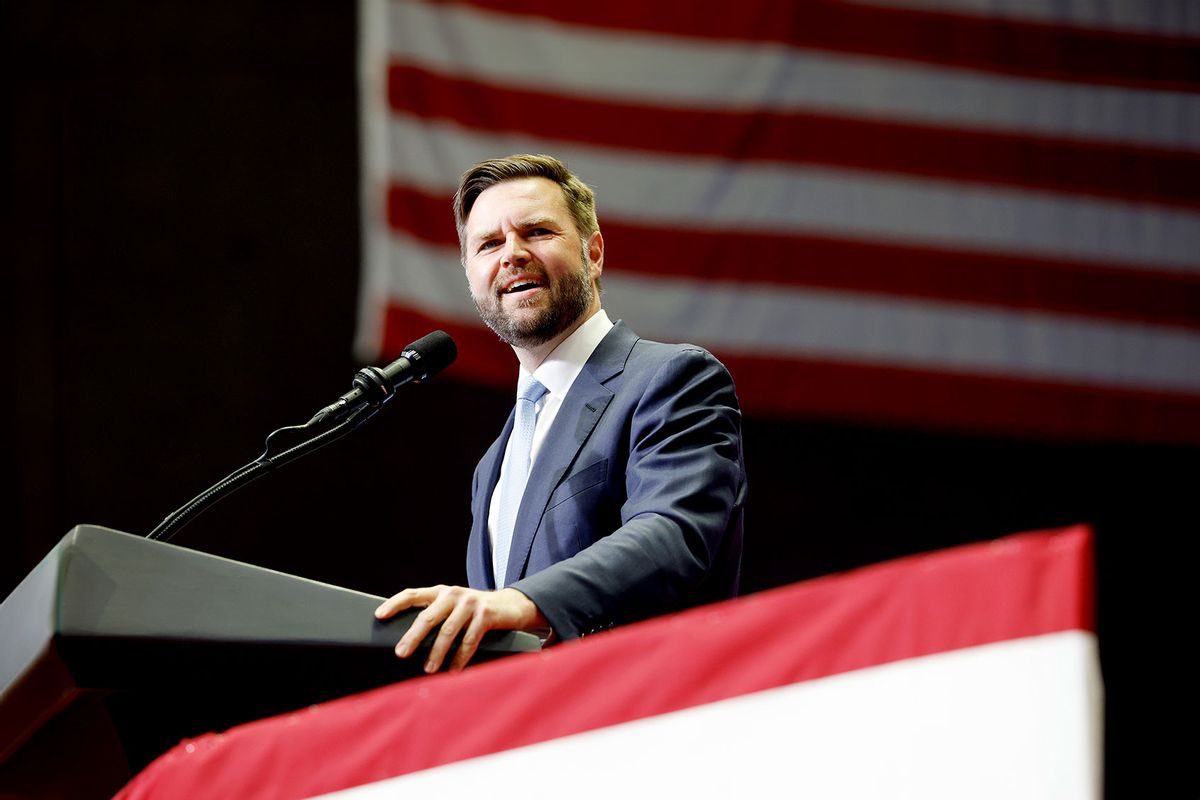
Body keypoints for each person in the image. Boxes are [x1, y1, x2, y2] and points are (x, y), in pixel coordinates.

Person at [375, 154, 746, 672]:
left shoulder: (671, 378)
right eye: (489, 244)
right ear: (471, 278)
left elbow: (673, 532)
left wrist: (521, 602)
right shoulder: (492, 466)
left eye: (537, 231)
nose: (512, 255)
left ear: (593, 253)